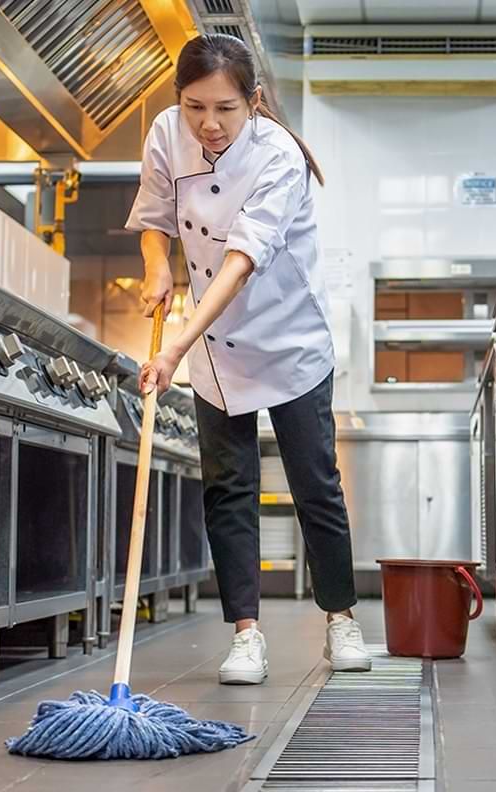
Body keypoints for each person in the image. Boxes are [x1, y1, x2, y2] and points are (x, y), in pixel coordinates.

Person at [128, 34, 371, 685]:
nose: (208, 124)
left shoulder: (280, 158)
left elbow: (241, 260)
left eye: (226, 109)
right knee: (227, 488)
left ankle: (341, 618)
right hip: (216, 349)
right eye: (194, 107)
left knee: (315, 483)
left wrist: (176, 340)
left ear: (254, 102)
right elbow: (155, 215)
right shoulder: (163, 133)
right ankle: (246, 635)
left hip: (289, 339)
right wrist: (157, 270)